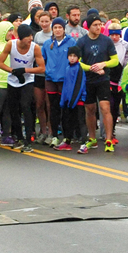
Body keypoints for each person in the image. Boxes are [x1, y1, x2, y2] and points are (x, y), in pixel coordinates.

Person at [0, 24, 45, 152]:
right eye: (27, 37)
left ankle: (28, 139)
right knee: (14, 109)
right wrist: (13, 71)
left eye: (31, 36)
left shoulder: (35, 48)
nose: (30, 38)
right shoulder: (11, 45)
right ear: (20, 38)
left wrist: (25, 70)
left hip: (27, 80)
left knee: (25, 106)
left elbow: (41, 68)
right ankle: (18, 137)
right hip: (13, 80)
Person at [76, 14, 118, 154]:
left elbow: (115, 60)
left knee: (105, 107)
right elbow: (77, 61)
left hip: (103, 79)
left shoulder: (106, 41)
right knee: (90, 109)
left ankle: (108, 138)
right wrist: (91, 68)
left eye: (100, 24)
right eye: (95, 25)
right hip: (88, 80)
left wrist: (103, 64)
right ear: (89, 26)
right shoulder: (82, 42)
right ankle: (92, 137)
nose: (98, 27)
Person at [42, 17, 76, 148]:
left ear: (64, 29)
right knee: (53, 108)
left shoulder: (71, 41)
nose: (57, 30)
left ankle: (67, 137)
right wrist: (47, 71)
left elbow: (75, 59)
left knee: (65, 109)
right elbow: (43, 59)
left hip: (65, 80)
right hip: (51, 79)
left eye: (60, 27)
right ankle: (54, 135)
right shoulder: (47, 44)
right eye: (55, 27)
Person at [56, 46, 87, 150]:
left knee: (80, 121)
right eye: (70, 56)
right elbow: (66, 86)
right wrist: (63, 100)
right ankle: (67, 141)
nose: (72, 58)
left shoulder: (79, 69)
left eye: (74, 56)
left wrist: (73, 101)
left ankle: (84, 143)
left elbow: (79, 85)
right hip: (68, 101)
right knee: (67, 121)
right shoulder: (68, 68)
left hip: (77, 101)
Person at [33, 11, 53, 144]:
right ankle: (43, 131)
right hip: (38, 74)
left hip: (50, 74)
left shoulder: (53, 35)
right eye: (42, 21)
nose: (44, 24)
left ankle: (52, 132)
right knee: (39, 104)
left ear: (51, 21)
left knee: (49, 104)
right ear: (38, 22)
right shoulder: (37, 35)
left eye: (47, 21)